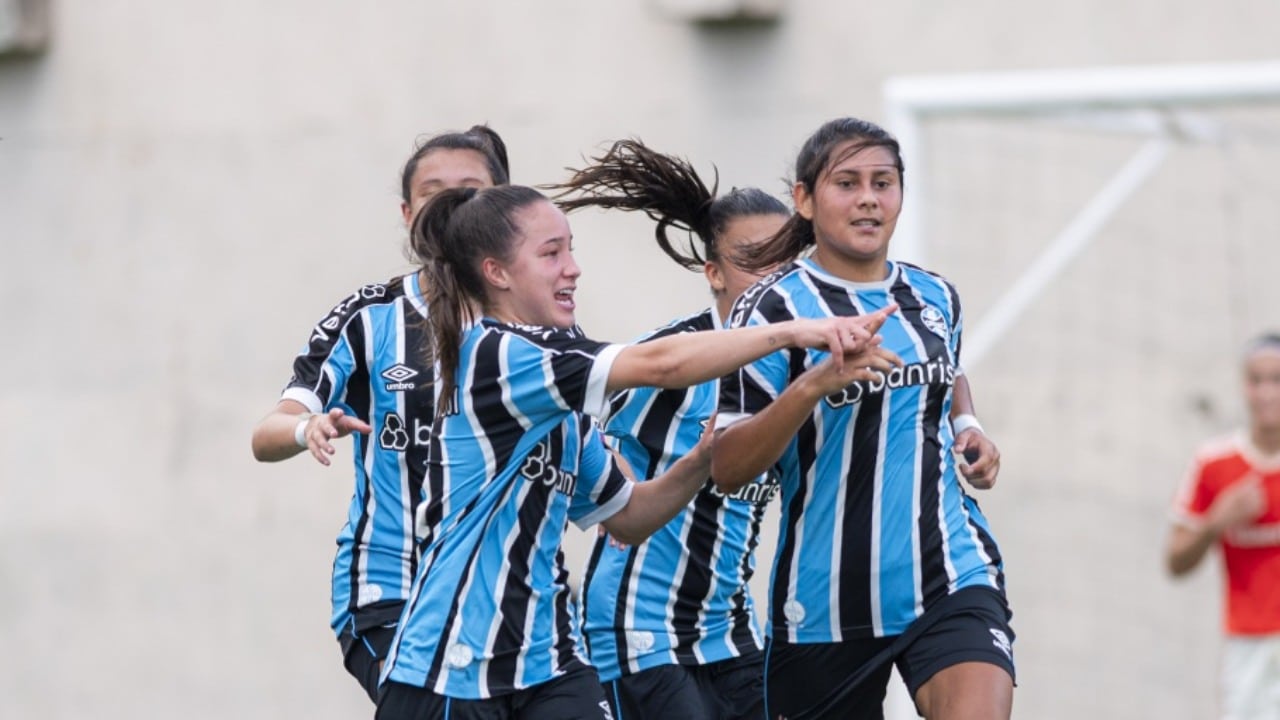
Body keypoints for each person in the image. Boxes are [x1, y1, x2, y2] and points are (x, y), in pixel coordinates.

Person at [375, 184, 900, 720]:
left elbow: (628, 517)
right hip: (450, 668)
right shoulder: (498, 355)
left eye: (572, 249)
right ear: (498, 272)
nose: (574, 268)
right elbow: (662, 365)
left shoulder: (564, 393)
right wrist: (791, 328)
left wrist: (699, 460)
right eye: (552, 253)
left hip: (547, 664)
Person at [711, 117, 1014, 720]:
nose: (869, 198)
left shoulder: (935, 297)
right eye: (847, 183)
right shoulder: (772, 309)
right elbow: (727, 466)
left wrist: (967, 427)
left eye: (883, 182)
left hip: (948, 571)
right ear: (804, 199)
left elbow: (945, 369)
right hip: (824, 602)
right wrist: (814, 386)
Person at [249, 125, 510, 702]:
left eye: (470, 187)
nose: (451, 202)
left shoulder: (537, 324)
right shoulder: (371, 317)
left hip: (507, 600)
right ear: (406, 211)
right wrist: (305, 426)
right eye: (433, 189)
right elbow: (265, 434)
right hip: (390, 590)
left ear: (503, 203)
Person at [549, 139, 790, 719]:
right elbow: (567, 409)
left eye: (787, 257)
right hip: (640, 628)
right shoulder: (675, 358)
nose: (774, 275)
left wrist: (964, 422)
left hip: (730, 629)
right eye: (753, 259)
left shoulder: (800, 362)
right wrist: (610, 473)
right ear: (713, 272)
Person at [1166, 333, 1280, 719]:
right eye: (1256, 380)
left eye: (1276, 380)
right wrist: (1217, 521)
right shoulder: (1215, 463)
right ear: (1244, 386)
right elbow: (1175, 561)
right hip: (1246, 644)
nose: (1266, 392)